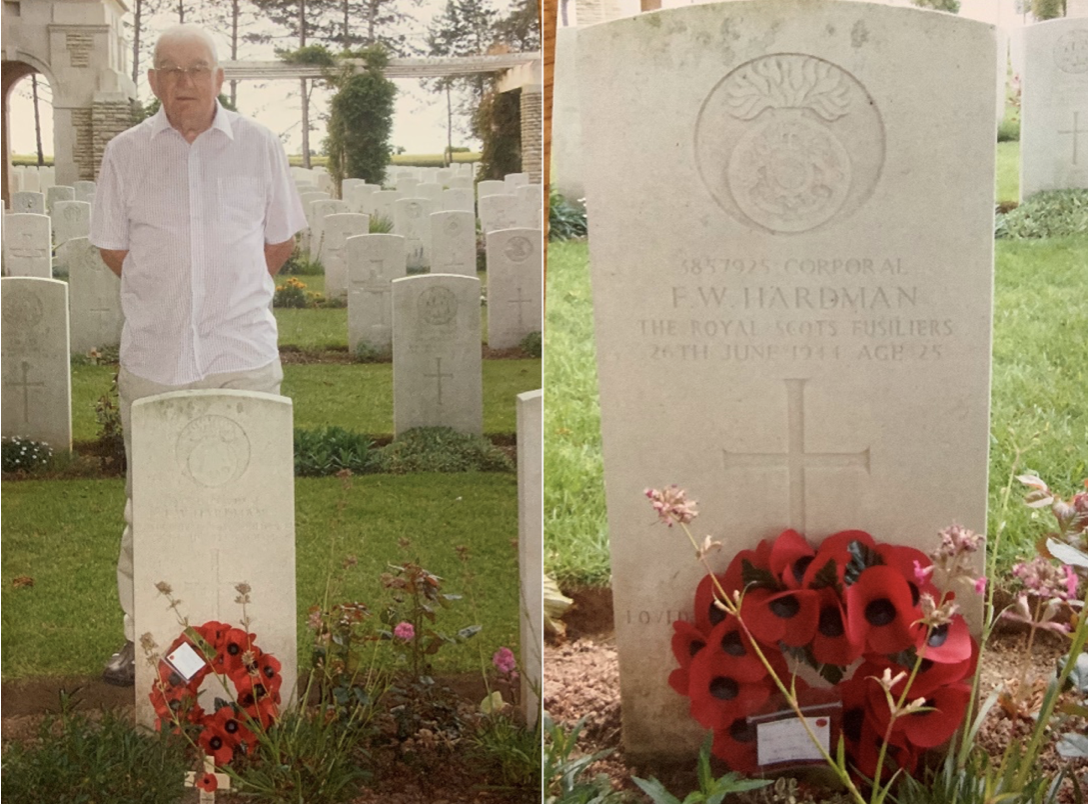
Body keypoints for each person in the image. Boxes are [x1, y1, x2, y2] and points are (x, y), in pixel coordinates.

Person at [89, 24, 306, 686]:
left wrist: (226, 298)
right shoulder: (127, 153)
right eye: (169, 69)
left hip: (239, 354)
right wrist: (171, 296)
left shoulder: (258, 146)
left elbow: (279, 241)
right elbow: (113, 248)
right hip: (156, 357)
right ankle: (146, 639)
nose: (184, 81)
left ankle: (248, 638)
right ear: (152, 81)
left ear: (220, 78)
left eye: (198, 68)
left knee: (247, 501)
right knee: (148, 506)